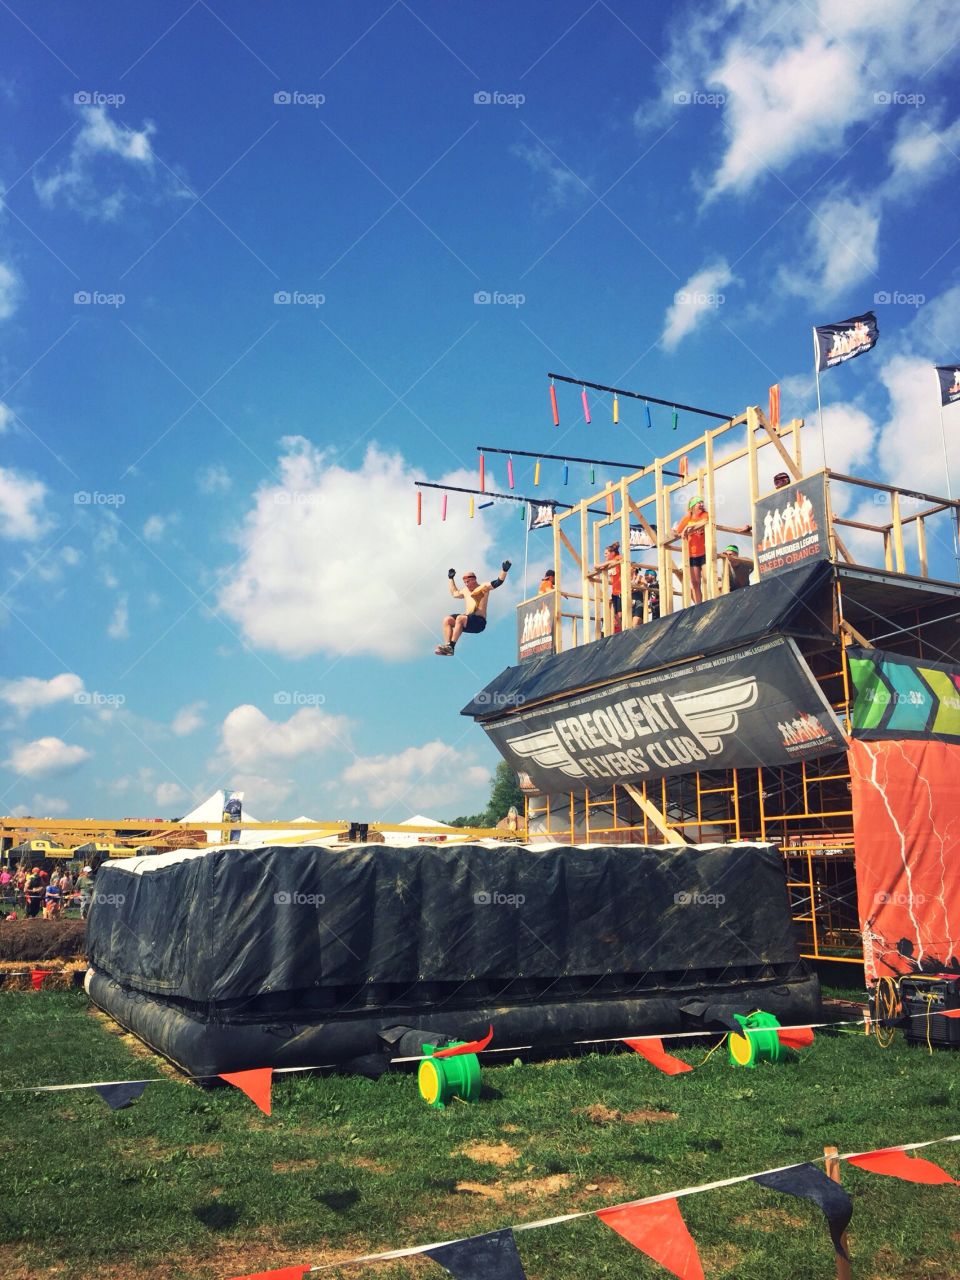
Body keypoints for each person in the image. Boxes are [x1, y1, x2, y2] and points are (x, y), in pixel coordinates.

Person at [436, 560, 511, 656]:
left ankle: (451, 646)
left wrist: (504, 570)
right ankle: (447, 647)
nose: (466, 584)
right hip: (468, 621)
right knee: (447, 620)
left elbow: (498, 582)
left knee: (460, 618)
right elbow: (454, 593)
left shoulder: (483, 587)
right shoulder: (465, 591)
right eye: (464, 582)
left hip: (479, 622)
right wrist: (451, 578)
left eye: (468, 582)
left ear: (474, 580)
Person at [674, 497, 709, 604]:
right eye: (699, 503)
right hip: (692, 555)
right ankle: (699, 604)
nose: (701, 504)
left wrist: (690, 527)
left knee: (708, 578)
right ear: (692, 507)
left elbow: (705, 521)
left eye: (702, 502)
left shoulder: (705, 514)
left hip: (704, 552)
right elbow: (677, 532)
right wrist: (676, 532)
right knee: (695, 582)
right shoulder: (687, 518)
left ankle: (712, 599)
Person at [605, 542, 623, 632]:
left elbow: (618, 561)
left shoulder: (618, 557)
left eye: (606, 553)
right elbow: (597, 567)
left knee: (620, 614)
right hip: (614, 591)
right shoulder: (608, 563)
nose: (605, 556)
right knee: (616, 614)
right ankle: (621, 631)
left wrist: (604, 565)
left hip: (621, 590)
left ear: (612, 553)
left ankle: (625, 629)